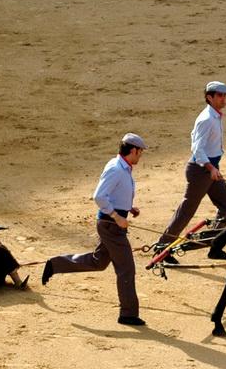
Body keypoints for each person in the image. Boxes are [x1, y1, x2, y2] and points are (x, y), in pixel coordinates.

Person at [41, 133, 147, 326]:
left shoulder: (122, 167)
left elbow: (112, 194)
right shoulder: (116, 169)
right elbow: (99, 197)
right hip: (111, 225)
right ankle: (128, 314)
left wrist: (128, 208)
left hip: (112, 224)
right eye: (140, 152)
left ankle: (55, 264)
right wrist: (117, 217)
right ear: (133, 150)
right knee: (126, 268)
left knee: (98, 262)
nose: (141, 156)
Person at [156, 81, 226, 260]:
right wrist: (210, 167)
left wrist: (213, 168)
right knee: (187, 211)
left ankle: (215, 245)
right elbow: (197, 148)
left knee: (225, 204)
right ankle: (162, 246)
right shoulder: (206, 119)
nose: (224, 98)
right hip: (201, 171)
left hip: (210, 169)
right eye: (220, 95)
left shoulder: (214, 116)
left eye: (224, 95)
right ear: (209, 97)